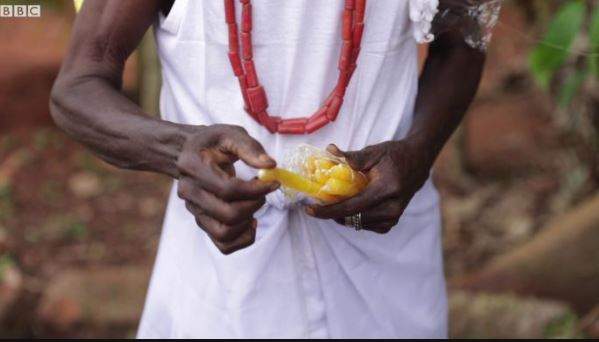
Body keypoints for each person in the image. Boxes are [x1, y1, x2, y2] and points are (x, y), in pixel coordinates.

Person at [50, 0, 486, 338]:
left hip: (384, 269)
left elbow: (465, 36)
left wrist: (419, 148)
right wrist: (180, 150)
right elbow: (79, 85)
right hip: (218, 281)